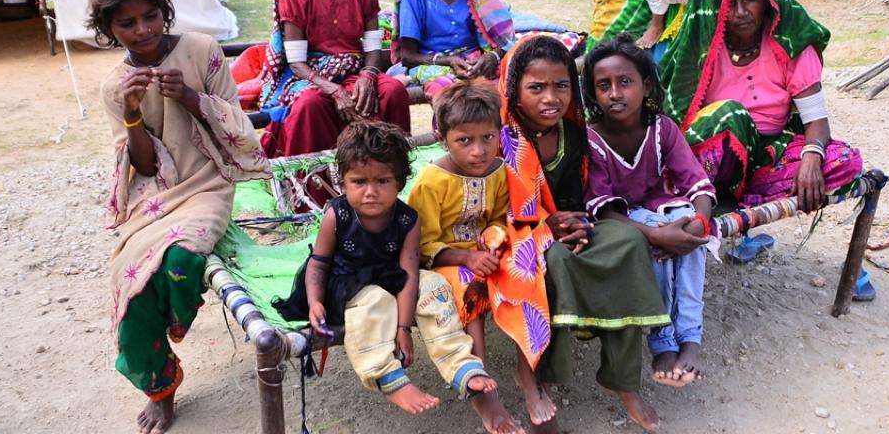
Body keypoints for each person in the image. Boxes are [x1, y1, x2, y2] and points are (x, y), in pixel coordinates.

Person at [89, 0, 270, 434]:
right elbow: (145, 168)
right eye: (126, 23)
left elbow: (238, 129)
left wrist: (190, 97)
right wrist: (132, 114)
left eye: (150, 16)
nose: (142, 30)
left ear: (164, 11)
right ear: (108, 29)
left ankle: (175, 312)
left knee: (181, 259)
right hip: (156, 196)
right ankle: (161, 387)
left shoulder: (202, 50)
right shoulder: (114, 87)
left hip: (208, 181)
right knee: (131, 281)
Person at [498, 34, 688, 433]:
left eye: (561, 86)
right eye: (536, 88)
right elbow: (496, 210)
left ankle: (621, 379)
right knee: (553, 263)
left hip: (571, 225)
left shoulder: (573, 135)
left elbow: (581, 197)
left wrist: (579, 225)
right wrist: (547, 226)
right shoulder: (501, 140)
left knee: (628, 242)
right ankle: (539, 378)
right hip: (518, 235)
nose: (551, 98)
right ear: (514, 90)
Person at [272, 121, 499, 418]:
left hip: (390, 277)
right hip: (345, 283)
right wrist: (315, 302)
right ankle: (386, 375)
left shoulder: (407, 220)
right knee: (373, 299)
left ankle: (461, 365)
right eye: (359, 182)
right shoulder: (337, 215)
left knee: (434, 286)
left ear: (399, 182)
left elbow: (409, 275)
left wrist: (403, 329)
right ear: (343, 182)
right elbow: (318, 263)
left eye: (382, 181)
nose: (371, 192)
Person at [657, 0, 866, 214]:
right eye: (729, 2)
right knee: (732, 114)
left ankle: (744, 195)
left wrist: (811, 159)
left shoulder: (790, 45)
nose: (741, 12)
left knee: (844, 161)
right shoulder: (700, 49)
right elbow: (669, 121)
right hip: (713, 155)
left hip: (767, 154)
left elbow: (817, 122)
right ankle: (705, 193)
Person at [258, 0, 411, 205]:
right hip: (310, 75)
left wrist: (368, 77)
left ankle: (393, 183)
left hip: (356, 69)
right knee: (308, 106)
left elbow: (372, 46)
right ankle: (314, 197)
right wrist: (334, 90)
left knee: (392, 92)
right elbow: (296, 63)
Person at [582, 34, 717, 387]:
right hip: (624, 222)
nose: (615, 93)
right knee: (656, 235)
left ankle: (690, 339)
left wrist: (699, 223)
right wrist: (657, 234)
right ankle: (663, 342)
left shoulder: (662, 129)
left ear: (645, 85)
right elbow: (603, 210)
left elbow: (698, 183)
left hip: (661, 212)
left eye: (625, 82)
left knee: (686, 227)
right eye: (603, 85)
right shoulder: (591, 140)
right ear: (592, 94)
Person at [407, 82, 530, 434]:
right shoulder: (432, 182)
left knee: (525, 273)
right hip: (446, 259)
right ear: (443, 138)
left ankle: (531, 372)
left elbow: (501, 218)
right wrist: (465, 257)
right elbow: (421, 245)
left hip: (483, 253)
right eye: (464, 140)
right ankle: (483, 393)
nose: (479, 151)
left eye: (488, 138)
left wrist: (493, 241)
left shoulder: (499, 171)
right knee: (471, 288)